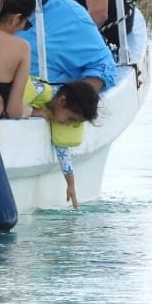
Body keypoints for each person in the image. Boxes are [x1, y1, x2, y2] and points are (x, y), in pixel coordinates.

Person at [27, 79, 100, 209]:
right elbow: (10, 96)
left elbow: (63, 153)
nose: (68, 124)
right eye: (71, 119)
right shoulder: (39, 91)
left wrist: (70, 185)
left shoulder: (60, 112)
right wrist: (30, 111)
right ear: (61, 101)